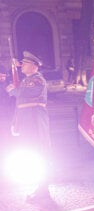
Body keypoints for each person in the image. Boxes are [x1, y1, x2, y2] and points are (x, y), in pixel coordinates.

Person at [5, 51, 52, 202]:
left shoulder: (37, 80)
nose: (22, 65)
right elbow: (21, 105)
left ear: (33, 66)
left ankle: (43, 190)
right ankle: (40, 188)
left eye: (24, 63)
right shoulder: (27, 80)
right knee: (34, 154)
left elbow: (25, 93)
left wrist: (13, 90)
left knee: (40, 154)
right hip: (28, 122)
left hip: (35, 121)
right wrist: (16, 122)